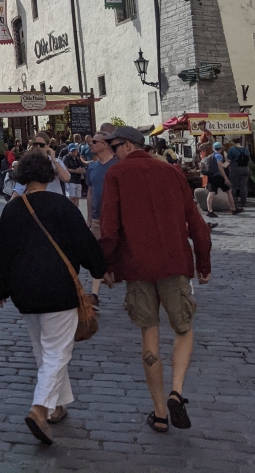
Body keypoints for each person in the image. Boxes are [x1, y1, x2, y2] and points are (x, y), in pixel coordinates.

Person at [99, 125, 211, 435]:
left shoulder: (117, 176)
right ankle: (176, 390)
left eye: (113, 145)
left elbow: (109, 228)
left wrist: (105, 264)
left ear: (128, 146)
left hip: (137, 266)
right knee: (183, 328)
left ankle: (160, 413)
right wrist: (203, 262)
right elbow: (196, 222)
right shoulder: (173, 173)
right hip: (173, 263)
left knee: (149, 332)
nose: (111, 150)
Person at [0, 150, 107, 446]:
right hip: (58, 288)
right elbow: (84, 243)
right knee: (56, 352)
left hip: (24, 291)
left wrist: (0, 289)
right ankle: (40, 407)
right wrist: (101, 268)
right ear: (49, 175)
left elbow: (2, 254)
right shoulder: (62, 206)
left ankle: (56, 406)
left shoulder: (13, 209)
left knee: (44, 351)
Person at [84, 129, 117, 308]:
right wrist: (89, 218)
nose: (91, 144)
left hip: (115, 218)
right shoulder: (92, 166)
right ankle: (94, 294)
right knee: (96, 255)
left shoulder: (118, 165)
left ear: (104, 145)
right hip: (97, 218)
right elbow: (90, 192)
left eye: (94, 142)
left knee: (120, 254)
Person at [205, 142, 237, 216]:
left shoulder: (211, 156)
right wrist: (226, 178)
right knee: (228, 191)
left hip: (211, 176)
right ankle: (233, 208)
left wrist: (225, 164)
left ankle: (210, 210)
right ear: (221, 148)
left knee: (211, 193)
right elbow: (220, 167)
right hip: (218, 176)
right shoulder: (219, 156)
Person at [226, 137, 251, 212]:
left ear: (233, 142)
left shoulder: (232, 150)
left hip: (235, 169)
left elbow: (228, 160)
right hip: (245, 169)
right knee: (243, 186)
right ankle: (244, 202)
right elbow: (248, 159)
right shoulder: (245, 149)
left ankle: (233, 202)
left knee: (233, 185)